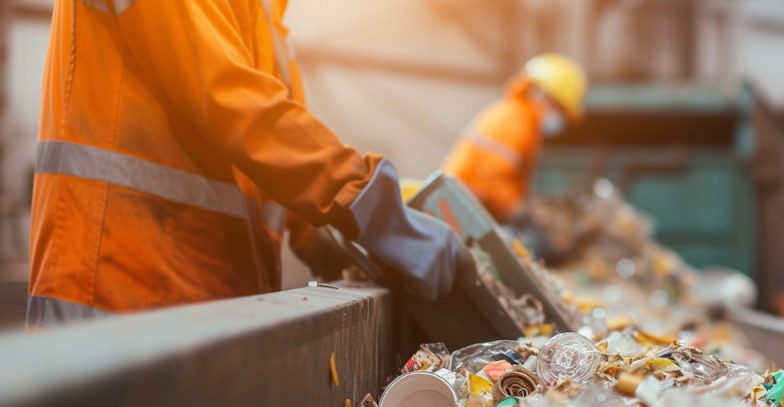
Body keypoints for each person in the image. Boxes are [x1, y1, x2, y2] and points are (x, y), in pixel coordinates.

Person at [27, 0, 466, 327]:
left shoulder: (263, 15)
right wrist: (373, 211)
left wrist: (322, 237)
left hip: (208, 305)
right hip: (114, 295)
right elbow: (228, 100)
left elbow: (274, 140)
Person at [441, 54, 588, 224]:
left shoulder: (519, 119)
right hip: (456, 214)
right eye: (560, 108)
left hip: (460, 210)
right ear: (542, 96)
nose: (559, 117)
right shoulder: (515, 122)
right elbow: (492, 180)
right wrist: (522, 211)